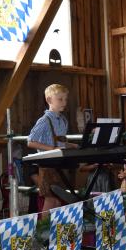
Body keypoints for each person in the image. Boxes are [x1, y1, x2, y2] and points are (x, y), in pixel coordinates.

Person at [26, 84, 78, 214]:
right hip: (47, 166)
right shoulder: (44, 120)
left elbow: (59, 142)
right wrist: (50, 148)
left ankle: (55, 229)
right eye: (60, 99)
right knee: (50, 200)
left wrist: (71, 145)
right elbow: (30, 142)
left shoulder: (63, 120)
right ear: (49, 100)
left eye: (65, 99)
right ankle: (43, 230)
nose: (64, 102)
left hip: (60, 165)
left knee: (58, 201)